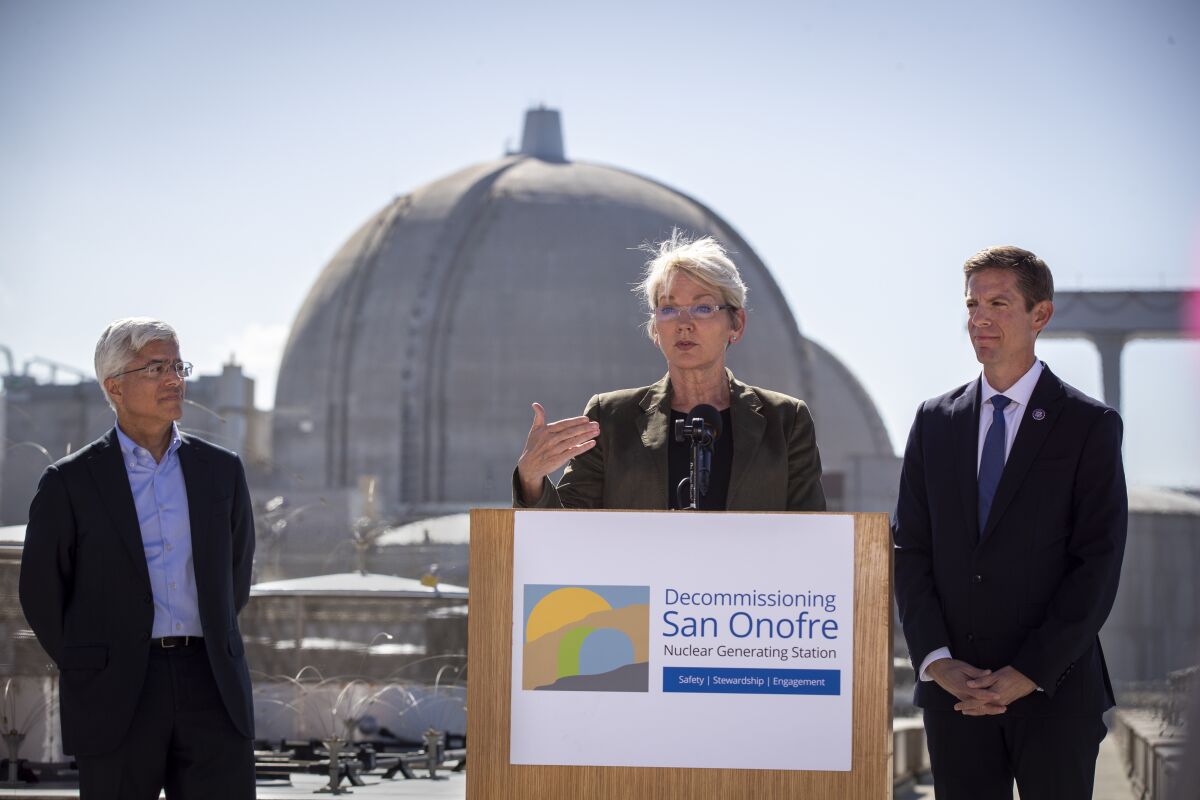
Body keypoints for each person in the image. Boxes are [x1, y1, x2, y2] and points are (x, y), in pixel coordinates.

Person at [892, 246, 1127, 799]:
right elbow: (911, 551)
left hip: (1056, 694)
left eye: (999, 302)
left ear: (1039, 315)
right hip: (957, 697)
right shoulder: (935, 422)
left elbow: (1098, 561)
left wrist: (1030, 670)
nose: (981, 318)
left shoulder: (1088, 425)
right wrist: (938, 662)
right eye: (972, 303)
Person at [19, 318, 256, 800]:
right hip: (116, 692)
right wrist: (94, 662)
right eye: (156, 368)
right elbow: (41, 593)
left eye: (177, 365)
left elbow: (236, 574)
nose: (175, 380)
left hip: (211, 682)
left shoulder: (221, 471)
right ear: (115, 387)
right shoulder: (69, 482)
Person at [514, 230, 826, 511]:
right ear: (654, 328)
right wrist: (531, 481)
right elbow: (565, 535)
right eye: (668, 308)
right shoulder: (611, 418)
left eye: (703, 307)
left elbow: (813, 533)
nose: (684, 323)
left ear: (736, 323)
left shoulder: (784, 421)